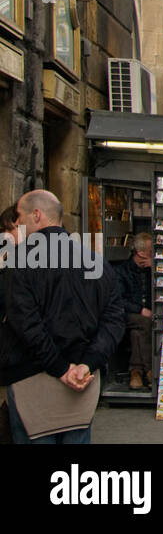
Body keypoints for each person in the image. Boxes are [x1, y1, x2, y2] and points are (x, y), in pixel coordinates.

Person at [0, 190, 124, 444]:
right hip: (83, 382)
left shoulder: (17, 262)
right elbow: (113, 321)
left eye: (20, 217)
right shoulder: (97, 263)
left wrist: (60, 368)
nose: (18, 224)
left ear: (36, 215)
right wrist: (87, 363)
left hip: (30, 382)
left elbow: (25, 324)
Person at [113, 232, 154, 390]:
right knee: (144, 321)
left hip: (143, 318)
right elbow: (119, 300)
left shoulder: (151, 268)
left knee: (137, 332)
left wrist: (155, 267)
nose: (154, 254)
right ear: (141, 253)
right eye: (151, 251)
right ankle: (150, 370)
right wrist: (140, 309)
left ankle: (136, 371)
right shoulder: (121, 271)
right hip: (127, 314)